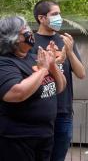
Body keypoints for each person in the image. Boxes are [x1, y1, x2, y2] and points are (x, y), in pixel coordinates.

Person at [0, 16, 66, 161]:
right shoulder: (5, 63)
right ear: (13, 38)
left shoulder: (33, 57)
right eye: (25, 30)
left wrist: (52, 64)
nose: (30, 32)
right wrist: (43, 70)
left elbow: (60, 87)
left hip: (45, 135)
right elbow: (16, 93)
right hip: (18, 139)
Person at [31, 0, 86, 161]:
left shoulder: (65, 41)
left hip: (64, 112)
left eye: (59, 14)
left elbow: (81, 74)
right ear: (41, 18)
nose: (59, 18)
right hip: (40, 112)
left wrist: (69, 52)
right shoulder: (31, 42)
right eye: (54, 14)